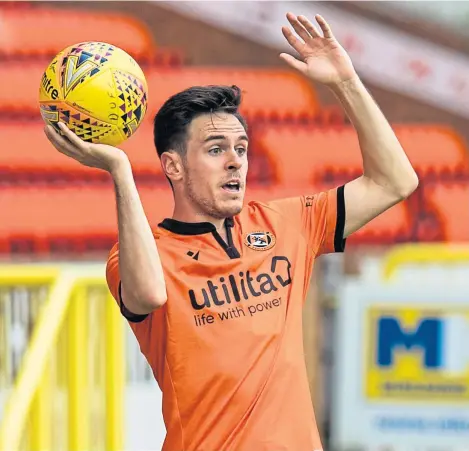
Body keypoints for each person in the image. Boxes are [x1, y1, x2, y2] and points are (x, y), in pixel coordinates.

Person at [44, 12, 418, 451]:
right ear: (174, 166)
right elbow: (147, 296)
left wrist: (346, 82)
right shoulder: (145, 254)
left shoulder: (287, 223)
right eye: (216, 149)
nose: (236, 161)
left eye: (241, 148)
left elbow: (395, 182)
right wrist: (119, 168)